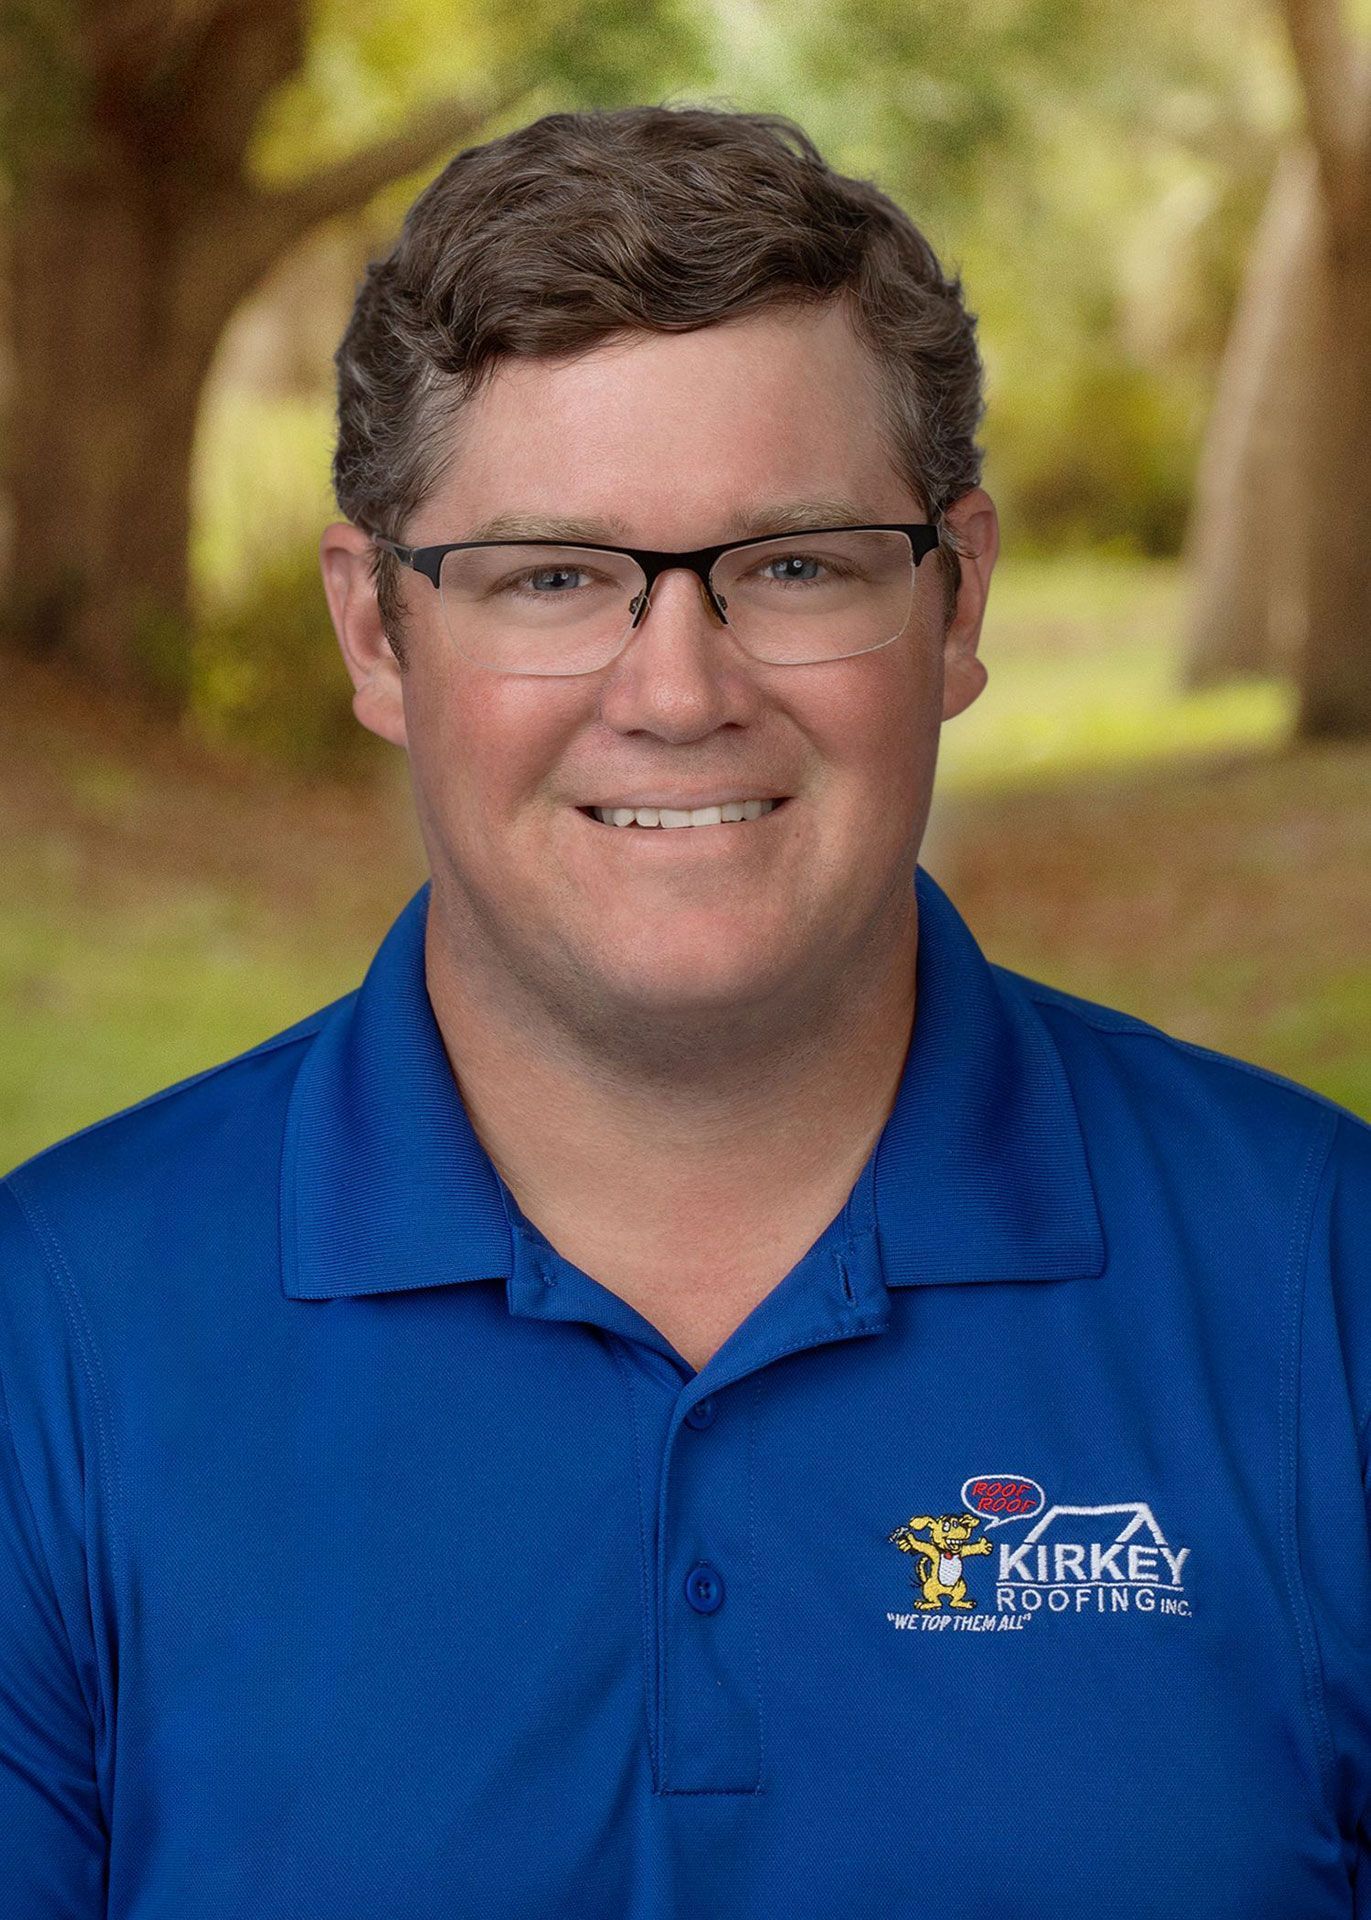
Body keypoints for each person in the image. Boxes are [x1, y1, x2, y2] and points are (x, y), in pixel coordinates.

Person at [1, 101, 1368, 1920]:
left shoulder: (1323, 1285)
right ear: (373, 635)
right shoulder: (57, 1341)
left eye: (793, 564)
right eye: (552, 576)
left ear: (956, 604)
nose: (675, 688)